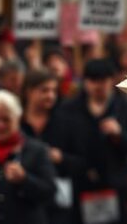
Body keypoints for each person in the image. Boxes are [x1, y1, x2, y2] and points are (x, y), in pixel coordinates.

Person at [62, 59, 127, 224]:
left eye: (103, 80)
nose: (98, 86)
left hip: (114, 185)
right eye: (93, 80)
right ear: (85, 82)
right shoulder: (70, 109)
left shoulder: (125, 107)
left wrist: (120, 134)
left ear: (112, 80)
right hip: (81, 185)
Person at [20, 69, 86, 223]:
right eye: (44, 90)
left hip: (58, 205)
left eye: (53, 90)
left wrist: (61, 158)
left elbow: (83, 163)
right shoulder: (17, 123)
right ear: (29, 91)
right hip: (24, 202)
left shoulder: (66, 122)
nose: (50, 95)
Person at [0, 90, 56, 224]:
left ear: (17, 118)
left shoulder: (37, 150)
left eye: (6, 119)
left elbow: (50, 192)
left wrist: (25, 179)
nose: (0, 125)